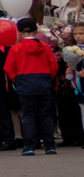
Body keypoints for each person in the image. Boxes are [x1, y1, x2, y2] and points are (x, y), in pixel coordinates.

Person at [6, 18, 60, 155]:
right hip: (43, 81)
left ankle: (29, 146)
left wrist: (17, 80)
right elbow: (54, 66)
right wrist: (48, 78)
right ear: (36, 31)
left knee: (28, 116)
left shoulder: (16, 48)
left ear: (19, 32)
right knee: (45, 115)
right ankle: (50, 145)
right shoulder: (45, 47)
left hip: (24, 82)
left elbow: (9, 67)